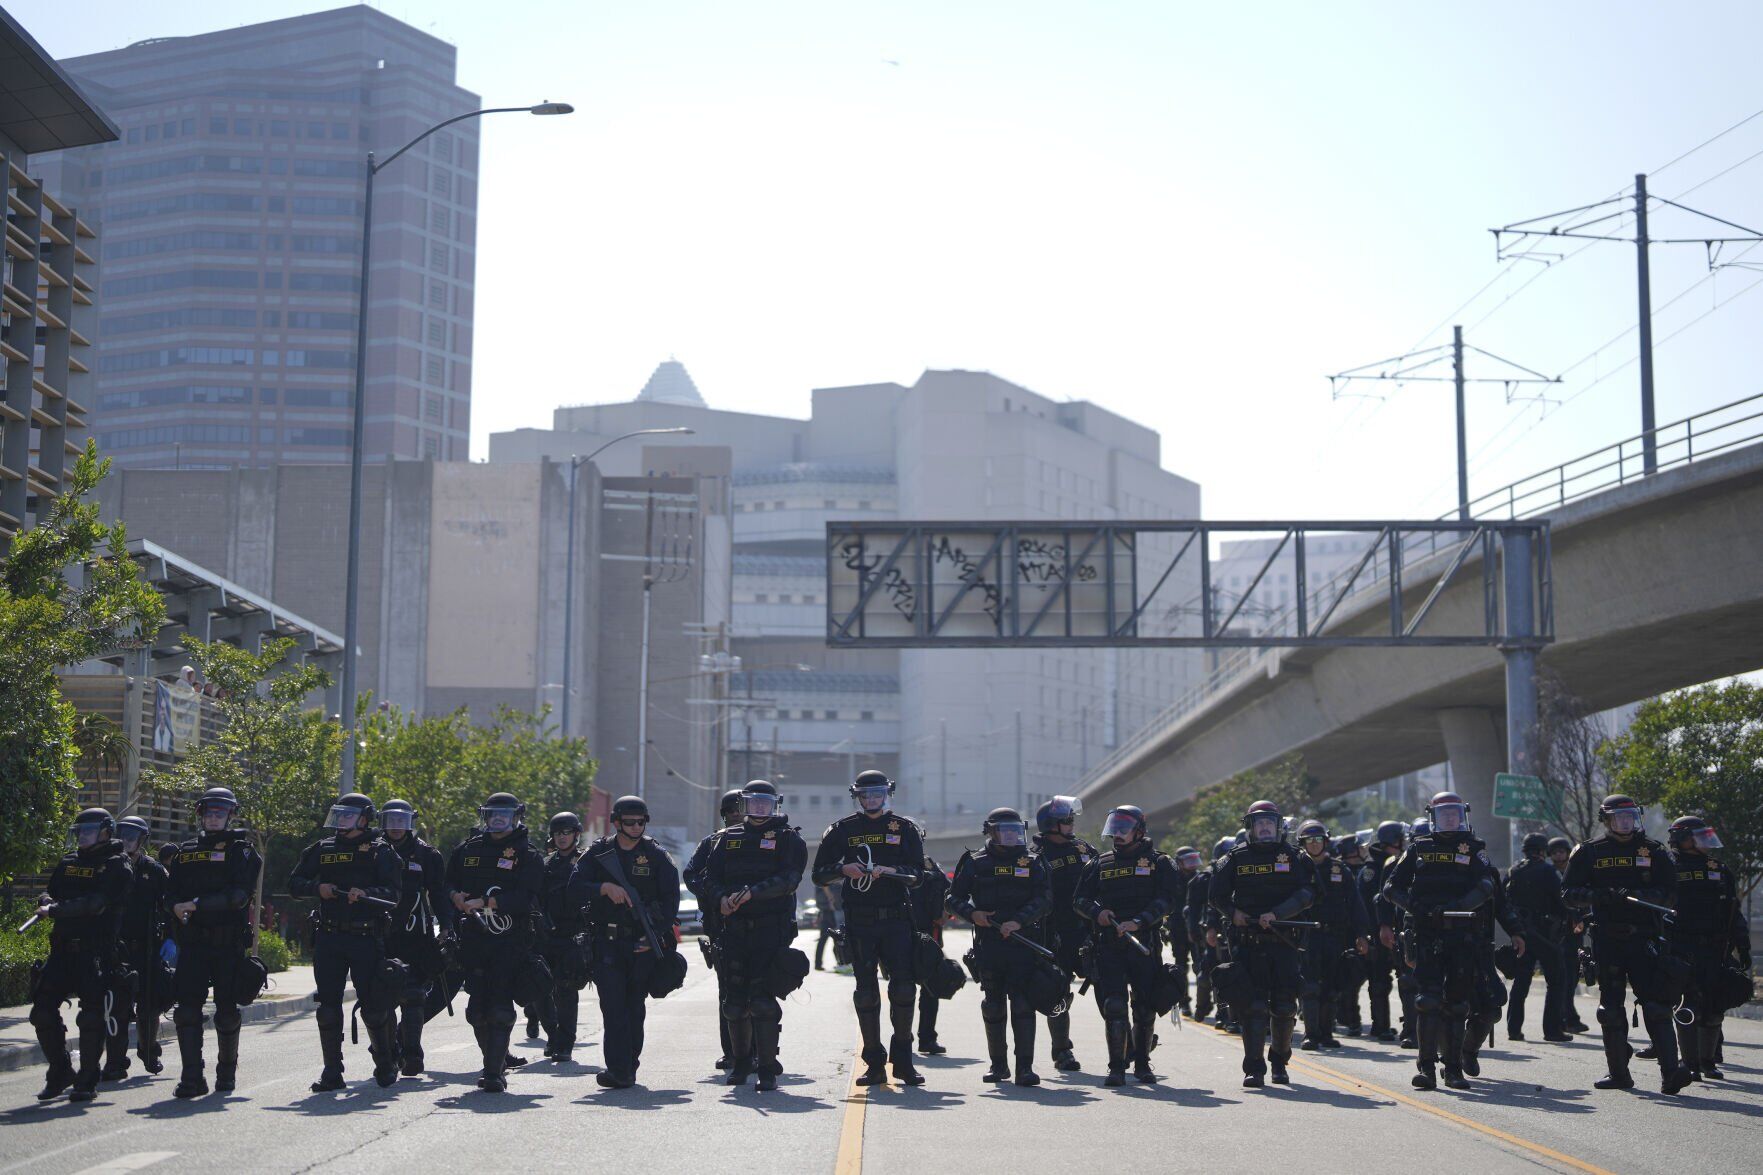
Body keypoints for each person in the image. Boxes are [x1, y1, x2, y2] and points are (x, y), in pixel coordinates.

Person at [1562, 795, 1693, 1094]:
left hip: (1644, 938)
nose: (1626, 823)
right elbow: (1568, 893)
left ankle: (1671, 1073)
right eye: (1619, 818)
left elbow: (1671, 894)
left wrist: (1637, 895)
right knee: (1610, 1009)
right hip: (1607, 939)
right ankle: (1618, 1073)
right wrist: (1600, 896)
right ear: (1606, 820)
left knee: (1657, 1005)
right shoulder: (1588, 852)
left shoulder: (1655, 851)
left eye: (1630, 817)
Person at [690, 780, 807, 1091]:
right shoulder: (725, 839)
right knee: (734, 1003)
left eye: (765, 803)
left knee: (763, 1002)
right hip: (732, 931)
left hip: (770, 931)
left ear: (775, 804)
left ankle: (767, 1068)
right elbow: (706, 877)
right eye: (753, 803)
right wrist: (721, 900)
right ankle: (740, 1063)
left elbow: (790, 878)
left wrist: (752, 894)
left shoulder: (788, 839)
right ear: (743, 805)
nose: (759, 809)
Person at [1383, 793, 1504, 1091]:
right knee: (1428, 1001)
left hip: (1463, 934)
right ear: (1434, 817)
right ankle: (1426, 1068)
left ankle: (1454, 1070)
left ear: (1463, 815)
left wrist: (1463, 904)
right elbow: (1391, 887)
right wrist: (1415, 907)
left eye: (1455, 814)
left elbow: (1488, 884)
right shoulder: (1418, 848)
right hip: (1427, 932)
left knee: (1458, 1004)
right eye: (1444, 814)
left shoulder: (1474, 850)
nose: (1450, 819)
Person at [811, 770, 925, 1087]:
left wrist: (891, 871)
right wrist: (842, 869)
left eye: (876, 794)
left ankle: (903, 1061)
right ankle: (873, 1063)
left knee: (903, 989)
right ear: (857, 796)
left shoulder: (904, 829)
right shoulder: (842, 830)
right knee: (865, 993)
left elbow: (918, 874)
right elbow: (818, 874)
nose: (871, 799)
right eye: (865, 794)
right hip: (859, 920)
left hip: (897, 919)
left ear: (887, 794)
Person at [288, 792, 403, 1091]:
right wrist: (318, 887)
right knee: (328, 1007)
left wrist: (366, 895)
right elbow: (294, 884)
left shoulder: (381, 852)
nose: (341, 822)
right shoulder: (322, 849)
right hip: (329, 936)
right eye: (338, 815)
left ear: (364, 819)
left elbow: (393, 895)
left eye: (348, 816)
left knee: (374, 1006)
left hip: (366, 936)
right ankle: (332, 1071)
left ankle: (385, 1062)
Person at [569, 795, 681, 1089]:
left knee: (634, 1008)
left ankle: (629, 1063)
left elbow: (671, 902)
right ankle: (618, 1068)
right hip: (607, 943)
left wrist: (653, 933)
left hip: (641, 945)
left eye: (640, 822)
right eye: (629, 822)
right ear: (616, 823)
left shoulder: (656, 856)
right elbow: (574, 887)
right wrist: (603, 888)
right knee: (613, 1007)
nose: (635, 827)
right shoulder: (598, 853)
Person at [164, 787, 262, 1098]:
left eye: (221, 813)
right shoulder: (185, 852)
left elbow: (237, 897)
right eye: (209, 812)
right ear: (201, 815)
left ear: (230, 815)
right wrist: (174, 906)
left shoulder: (242, 852)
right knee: (187, 1012)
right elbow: (169, 892)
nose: (215, 817)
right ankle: (192, 1077)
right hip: (193, 944)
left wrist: (194, 904)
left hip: (227, 945)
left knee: (226, 1012)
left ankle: (226, 1072)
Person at [1072, 805, 1180, 1086]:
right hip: (1108, 946)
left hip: (1144, 943)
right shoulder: (1098, 863)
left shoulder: (1159, 862)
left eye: (1124, 828)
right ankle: (1116, 1067)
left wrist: (1140, 921)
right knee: (1114, 1005)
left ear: (1139, 831)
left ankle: (1143, 1065)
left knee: (1144, 1007)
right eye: (1115, 828)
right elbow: (1079, 900)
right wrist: (1099, 914)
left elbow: (1168, 899)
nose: (1117, 834)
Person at [1211, 801, 1316, 1088]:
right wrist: (1234, 914)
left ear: (1279, 825)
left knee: (1283, 1007)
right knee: (1253, 1008)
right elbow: (1216, 896)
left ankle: (1279, 1062)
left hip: (1284, 942)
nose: (1266, 827)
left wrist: (1278, 914)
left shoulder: (1295, 857)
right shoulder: (1233, 858)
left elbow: (1308, 893)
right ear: (1250, 828)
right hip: (1248, 944)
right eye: (1260, 823)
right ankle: (1254, 1069)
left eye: (1270, 822)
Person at [30, 809, 131, 1102]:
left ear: (105, 832)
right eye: (80, 831)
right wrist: (47, 901)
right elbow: (50, 893)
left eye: (89, 831)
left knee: (90, 1017)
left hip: (95, 952)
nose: (83, 836)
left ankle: (87, 1079)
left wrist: (56, 910)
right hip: (62, 950)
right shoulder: (69, 862)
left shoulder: (116, 865)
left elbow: (96, 904)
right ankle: (61, 1071)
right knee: (41, 1011)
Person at [446, 791, 544, 1092]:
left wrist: (488, 902)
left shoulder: (528, 854)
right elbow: (447, 883)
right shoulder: (468, 849)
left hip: (509, 940)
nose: (498, 820)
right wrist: (456, 897)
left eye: (505, 815)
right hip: (473, 940)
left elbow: (527, 898)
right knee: (476, 1010)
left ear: (517, 817)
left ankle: (493, 1073)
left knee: (500, 1007)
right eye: (493, 815)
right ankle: (495, 1059)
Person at [949, 808, 1053, 1086]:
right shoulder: (974, 862)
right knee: (993, 1005)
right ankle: (998, 1066)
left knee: (1022, 1004)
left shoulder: (1033, 861)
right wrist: (973, 915)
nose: (1011, 836)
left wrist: (1019, 920)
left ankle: (1025, 1068)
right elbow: (952, 898)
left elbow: (1045, 898)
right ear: (991, 832)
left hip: (1024, 943)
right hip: (990, 944)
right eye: (1005, 831)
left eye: (1016, 831)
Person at [1665, 815, 1745, 1081]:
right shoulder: (1667, 868)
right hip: (1681, 947)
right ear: (1681, 839)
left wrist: (1742, 945)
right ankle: (1688, 1064)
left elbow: (1733, 910)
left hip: (1714, 948)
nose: (1705, 842)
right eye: (1697, 836)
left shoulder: (1719, 869)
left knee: (1714, 1007)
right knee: (1689, 1005)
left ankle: (1707, 1061)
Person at [378, 798, 449, 1076]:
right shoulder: (372, 850)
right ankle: (388, 1051)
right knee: (382, 996)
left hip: (416, 933)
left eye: (402, 821)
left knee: (414, 995)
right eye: (391, 821)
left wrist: (446, 926)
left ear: (411, 823)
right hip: (379, 933)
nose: (396, 827)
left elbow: (439, 894)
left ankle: (412, 1054)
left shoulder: (427, 855)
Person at [685, 788, 747, 1069]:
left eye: (740, 809)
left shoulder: (767, 840)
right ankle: (733, 1051)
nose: (736, 815)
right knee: (728, 992)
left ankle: (761, 1051)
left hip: (762, 927)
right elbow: (692, 875)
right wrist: (716, 896)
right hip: (723, 927)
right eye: (730, 811)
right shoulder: (711, 843)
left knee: (760, 992)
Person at [103, 815, 168, 1080]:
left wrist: (173, 939)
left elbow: (170, 902)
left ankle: (148, 1049)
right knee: (115, 1007)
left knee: (151, 1004)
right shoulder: (107, 866)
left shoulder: (153, 870)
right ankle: (116, 1063)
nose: (127, 840)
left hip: (147, 946)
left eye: (133, 836)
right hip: (114, 947)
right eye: (123, 834)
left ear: (142, 841)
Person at [1032, 795, 1094, 1070]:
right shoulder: (1035, 855)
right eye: (1066, 821)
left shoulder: (1083, 848)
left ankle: (1128, 1046)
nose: (1072, 825)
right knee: (1058, 991)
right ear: (1051, 825)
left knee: (1110, 987)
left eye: (1071, 820)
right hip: (1054, 932)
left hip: (1089, 929)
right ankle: (1062, 1051)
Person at [1295, 820, 1369, 1050]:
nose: (1314, 844)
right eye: (1309, 840)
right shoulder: (1296, 868)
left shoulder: (1340, 869)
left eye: (1318, 840)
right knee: (1310, 987)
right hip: (1307, 935)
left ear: (1325, 841)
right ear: (1302, 843)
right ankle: (1311, 1034)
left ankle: (1326, 1033)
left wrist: (1362, 934)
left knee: (1332, 986)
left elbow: (1355, 904)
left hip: (1335, 936)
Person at [1504, 832, 1573, 1043]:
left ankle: (1514, 1029)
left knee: (1521, 981)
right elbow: (1562, 901)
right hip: (1545, 934)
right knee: (1556, 980)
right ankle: (1552, 1030)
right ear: (1543, 851)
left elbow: (1503, 901)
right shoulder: (1548, 871)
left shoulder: (1513, 871)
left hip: (1521, 934)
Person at [537, 812, 590, 1062]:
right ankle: (552, 1035)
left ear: (576, 835)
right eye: (557, 833)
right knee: (540, 988)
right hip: (547, 933)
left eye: (566, 832)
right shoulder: (546, 864)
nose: (561, 837)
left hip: (574, 935)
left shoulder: (586, 861)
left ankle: (565, 1042)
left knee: (567, 989)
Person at [1357, 822, 1406, 1044]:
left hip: (1395, 929)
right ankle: (1380, 1025)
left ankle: (1408, 1027)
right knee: (1378, 981)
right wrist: (1370, 932)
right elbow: (1365, 903)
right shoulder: (1372, 869)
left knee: (1404, 980)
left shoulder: (1399, 863)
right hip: (1376, 931)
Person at [1185, 837, 1234, 1028]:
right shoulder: (1205, 878)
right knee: (1208, 973)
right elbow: (1196, 909)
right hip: (1213, 932)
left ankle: (1230, 1016)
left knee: (1233, 976)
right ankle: (1204, 1007)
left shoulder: (1242, 872)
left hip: (1239, 932)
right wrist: (1197, 931)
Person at [1548, 835, 1591, 1033]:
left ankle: (1568, 1016)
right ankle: (1567, 1018)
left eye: (1561, 851)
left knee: (1572, 976)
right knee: (1564, 976)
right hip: (1558, 932)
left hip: (1575, 930)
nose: (1559, 855)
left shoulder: (1574, 873)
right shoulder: (1549, 875)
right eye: (1555, 852)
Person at [910, 852, 951, 1055]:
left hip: (911, 936)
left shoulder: (930, 868)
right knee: (925, 991)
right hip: (914, 936)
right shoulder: (932, 868)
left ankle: (909, 1039)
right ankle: (923, 1038)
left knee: (910, 990)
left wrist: (944, 914)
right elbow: (948, 899)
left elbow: (949, 898)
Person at [1170, 844, 1204, 1019]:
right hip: (1177, 929)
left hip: (1196, 927)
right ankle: (1184, 1002)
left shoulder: (1200, 879)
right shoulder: (1172, 880)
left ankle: (1202, 1004)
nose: (1192, 865)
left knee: (1200, 966)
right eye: (1188, 861)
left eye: (1194, 860)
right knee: (1180, 966)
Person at [814, 886, 844, 971]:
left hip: (826, 910)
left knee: (824, 939)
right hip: (831, 910)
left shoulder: (818, 878)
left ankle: (818, 964)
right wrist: (831, 901)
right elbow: (825, 885)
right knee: (836, 938)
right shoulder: (825, 880)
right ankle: (840, 962)